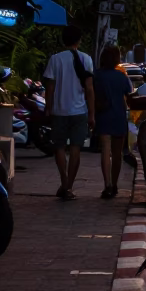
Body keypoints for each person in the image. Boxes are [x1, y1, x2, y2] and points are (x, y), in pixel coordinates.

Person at [42, 25, 95, 200]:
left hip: (59, 111)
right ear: (79, 40)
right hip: (80, 111)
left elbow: (49, 88)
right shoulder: (86, 59)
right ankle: (69, 186)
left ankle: (64, 182)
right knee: (75, 148)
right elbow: (89, 89)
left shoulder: (55, 59)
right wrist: (92, 114)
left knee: (59, 147)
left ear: (63, 40)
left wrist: (48, 108)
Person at [93, 47, 134, 198]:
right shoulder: (121, 76)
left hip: (103, 115)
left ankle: (107, 185)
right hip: (118, 116)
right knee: (117, 153)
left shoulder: (96, 76)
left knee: (105, 150)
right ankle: (115, 184)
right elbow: (129, 97)